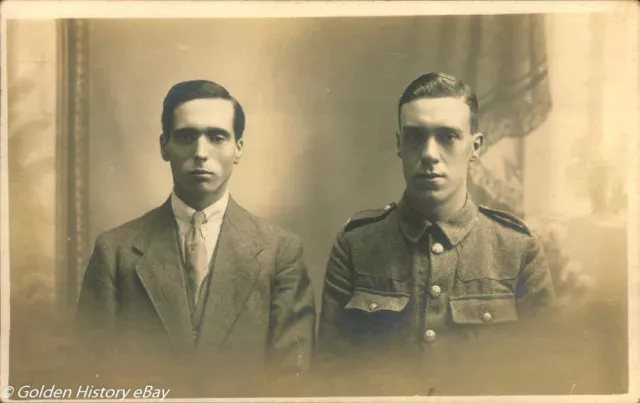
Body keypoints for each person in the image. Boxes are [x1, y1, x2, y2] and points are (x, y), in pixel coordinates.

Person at [316, 72, 556, 394]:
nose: (429, 154)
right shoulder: (356, 245)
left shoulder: (517, 248)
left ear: (476, 146)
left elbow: (543, 379)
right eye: (415, 137)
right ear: (399, 145)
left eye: (447, 136)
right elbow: (331, 375)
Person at [76, 80, 316, 395]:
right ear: (164, 146)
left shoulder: (280, 251)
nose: (201, 153)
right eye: (187, 137)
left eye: (217, 137)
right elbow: (89, 374)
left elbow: (291, 380)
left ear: (238, 148)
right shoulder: (115, 251)